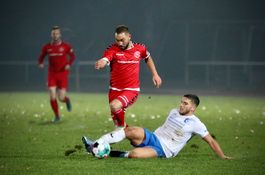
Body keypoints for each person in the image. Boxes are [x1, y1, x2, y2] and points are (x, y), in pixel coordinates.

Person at [82, 94, 232, 159]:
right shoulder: (174, 111)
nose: (181, 105)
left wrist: (223, 156)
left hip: (164, 150)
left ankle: (111, 153)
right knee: (130, 130)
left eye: (185, 103)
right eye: (181, 101)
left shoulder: (196, 124)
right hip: (153, 136)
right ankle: (95, 144)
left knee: (135, 155)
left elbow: (211, 141)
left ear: (193, 108)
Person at [95, 25, 162, 128]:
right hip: (114, 90)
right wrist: (102, 62)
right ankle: (135, 138)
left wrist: (155, 74)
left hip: (131, 90)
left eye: (122, 40)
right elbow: (106, 58)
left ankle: (122, 132)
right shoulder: (112, 49)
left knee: (115, 106)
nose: (120, 43)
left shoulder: (140, 48)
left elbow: (147, 57)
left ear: (129, 36)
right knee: (117, 125)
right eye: (117, 40)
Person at [38, 26, 76, 122]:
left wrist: (68, 64)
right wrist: (40, 63)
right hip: (52, 74)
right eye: (53, 33)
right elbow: (41, 56)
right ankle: (57, 116)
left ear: (60, 34)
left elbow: (72, 57)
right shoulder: (47, 47)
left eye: (57, 33)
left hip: (63, 73)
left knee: (61, 97)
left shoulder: (66, 46)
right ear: (51, 35)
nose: (55, 35)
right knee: (52, 94)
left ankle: (66, 100)